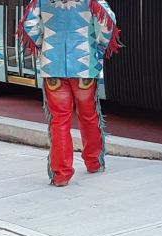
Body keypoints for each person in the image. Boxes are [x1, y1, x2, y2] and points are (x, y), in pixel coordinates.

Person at [18, 0, 121, 187]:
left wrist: (44, 45)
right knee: (89, 114)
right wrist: (98, 48)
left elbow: (28, 24)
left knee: (59, 120)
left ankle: (61, 174)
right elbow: (109, 21)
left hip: (52, 64)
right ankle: (94, 161)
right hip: (84, 63)